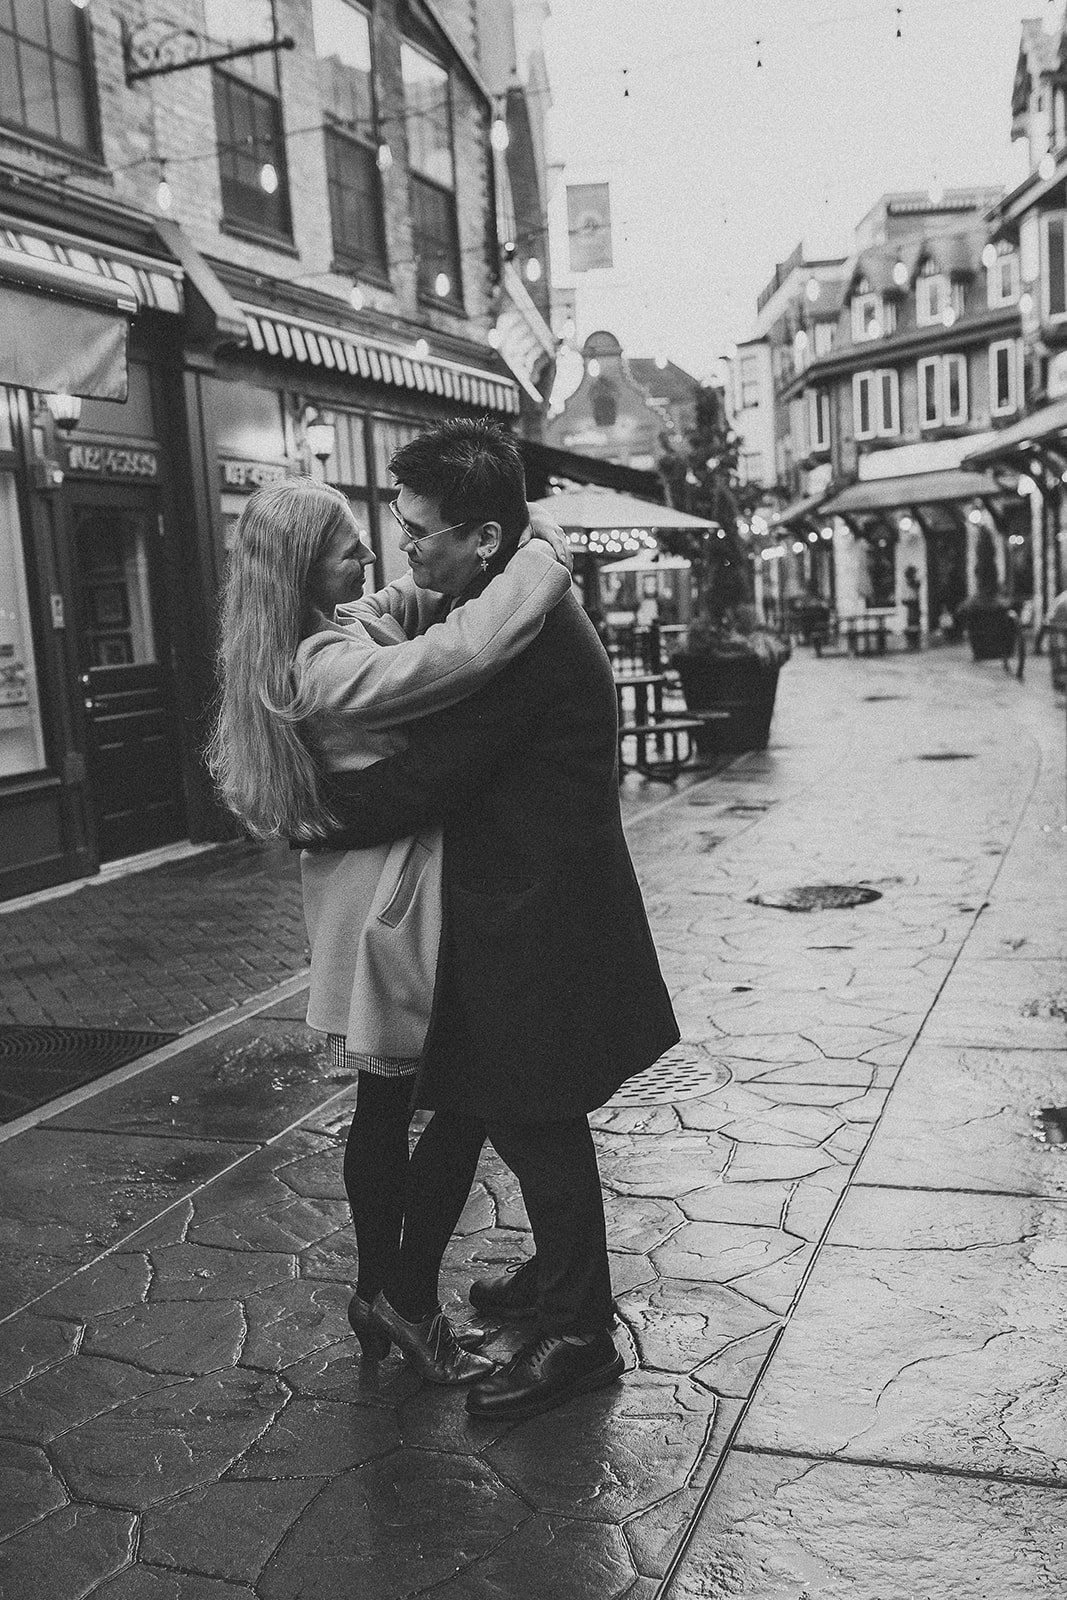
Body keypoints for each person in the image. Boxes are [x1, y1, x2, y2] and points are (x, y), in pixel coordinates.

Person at [314, 419, 680, 1421]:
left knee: (536, 1119)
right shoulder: (502, 597)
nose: (408, 550)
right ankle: (555, 1284)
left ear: (481, 538)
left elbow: (437, 770)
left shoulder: (520, 632)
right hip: (526, 900)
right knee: (512, 1108)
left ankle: (576, 1330)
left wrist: (305, 811)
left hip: (536, 910)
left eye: (423, 532)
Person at [207, 475, 571, 1384]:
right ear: (300, 569)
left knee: (388, 1101)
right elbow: (459, 653)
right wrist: (542, 553)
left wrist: (502, 529)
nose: (371, 556)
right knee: (460, 1092)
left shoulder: (335, 628)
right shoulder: (322, 666)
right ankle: (400, 1296)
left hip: (376, 896)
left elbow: (412, 597)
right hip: (393, 908)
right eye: (346, 549)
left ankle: (384, 1296)